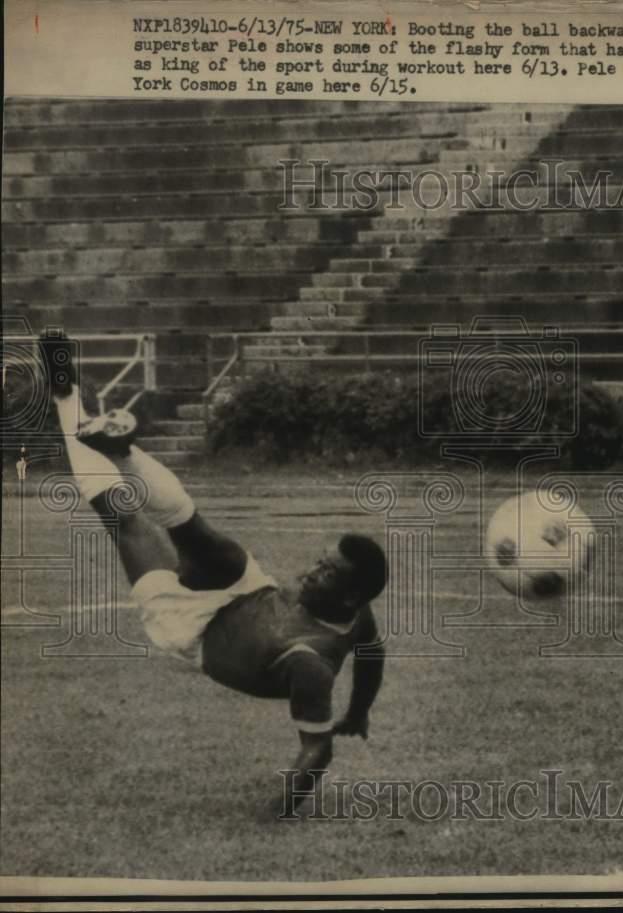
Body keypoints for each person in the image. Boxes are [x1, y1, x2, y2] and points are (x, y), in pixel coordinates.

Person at [38, 330, 387, 813]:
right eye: (320, 562)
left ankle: (67, 399)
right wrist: (362, 710)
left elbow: (316, 750)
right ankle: (123, 453)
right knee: (200, 535)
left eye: (326, 574)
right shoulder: (358, 613)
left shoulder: (311, 662)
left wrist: (276, 813)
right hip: (247, 590)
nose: (311, 572)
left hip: (196, 626)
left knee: (124, 516)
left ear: (347, 598)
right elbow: (373, 650)